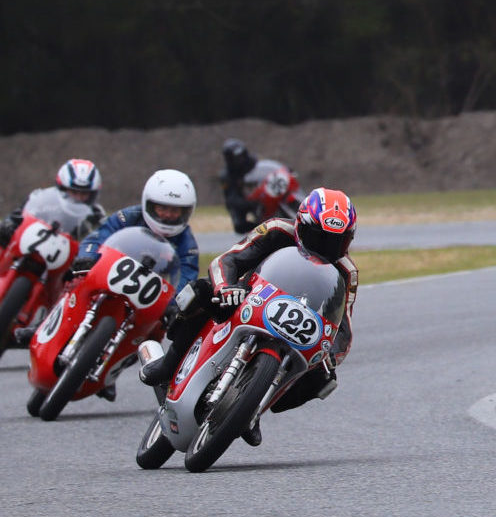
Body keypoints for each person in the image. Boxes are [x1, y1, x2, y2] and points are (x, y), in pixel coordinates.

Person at [139, 188, 360, 440]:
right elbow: (228, 260)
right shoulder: (277, 229)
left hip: (299, 326)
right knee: (199, 291)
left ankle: (253, 409)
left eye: (336, 242)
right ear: (300, 223)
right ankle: (167, 365)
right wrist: (225, 288)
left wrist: (331, 357)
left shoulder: (347, 272)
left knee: (324, 379)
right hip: (247, 297)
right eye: (318, 237)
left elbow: (343, 328)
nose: (325, 248)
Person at [57, 170, 201, 401]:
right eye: (162, 208)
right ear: (148, 204)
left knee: (155, 330)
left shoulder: (187, 242)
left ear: (187, 212)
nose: (168, 215)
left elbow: (187, 276)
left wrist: (173, 305)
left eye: (175, 211)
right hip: (109, 276)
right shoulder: (128, 216)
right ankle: (40, 329)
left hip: (149, 296)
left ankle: (110, 373)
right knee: (74, 280)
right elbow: (98, 236)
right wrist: (88, 255)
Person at [0, 158, 107, 250]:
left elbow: (103, 243)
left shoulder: (96, 215)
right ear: (63, 189)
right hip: (29, 250)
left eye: (84, 194)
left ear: (92, 195)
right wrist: (9, 225)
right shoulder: (41, 200)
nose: (78, 198)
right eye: (74, 192)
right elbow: (17, 217)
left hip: (67, 267)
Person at [217, 138, 261, 231]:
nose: (240, 160)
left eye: (241, 156)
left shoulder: (253, 161)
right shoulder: (226, 176)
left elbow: (266, 170)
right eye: (237, 158)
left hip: (262, 192)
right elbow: (231, 199)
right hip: (244, 201)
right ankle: (260, 231)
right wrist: (250, 202)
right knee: (239, 225)